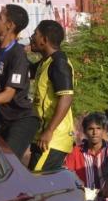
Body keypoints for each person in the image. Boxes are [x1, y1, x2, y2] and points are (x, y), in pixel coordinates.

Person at [0, 3, 40, 159]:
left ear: (9, 25)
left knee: (7, 161)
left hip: (21, 118)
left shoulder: (17, 54)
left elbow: (7, 95)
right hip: (1, 118)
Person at [27, 20, 76, 171]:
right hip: (43, 136)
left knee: (36, 185)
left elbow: (66, 97)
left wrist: (49, 131)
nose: (31, 37)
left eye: (35, 34)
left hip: (53, 138)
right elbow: (26, 70)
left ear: (44, 40)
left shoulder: (59, 62)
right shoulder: (45, 62)